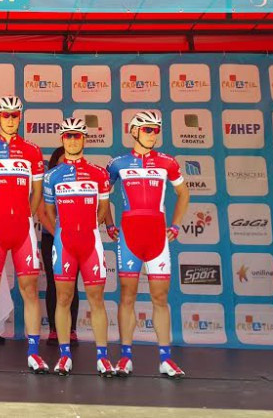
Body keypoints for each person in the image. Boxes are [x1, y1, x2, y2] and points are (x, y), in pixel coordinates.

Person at [105, 110, 190, 378]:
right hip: (130, 237)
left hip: (156, 238)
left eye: (156, 130)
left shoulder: (167, 162)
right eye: (147, 130)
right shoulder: (117, 163)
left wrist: (175, 225)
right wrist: (109, 224)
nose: (152, 135)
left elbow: (183, 193)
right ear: (134, 131)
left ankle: (165, 359)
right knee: (127, 296)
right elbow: (103, 195)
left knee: (160, 298)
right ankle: (125, 357)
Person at [0, 95, 47, 373]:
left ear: (20, 117)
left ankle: (34, 353)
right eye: (6, 115)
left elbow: (37, 192)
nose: (11, 119)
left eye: (15, 115)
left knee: (29, 290)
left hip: (23, 228)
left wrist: (26, 214)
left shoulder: (32, 151)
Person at [41, 118, 114, 376]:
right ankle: (64, 355)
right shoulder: (51, 176)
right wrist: (64, 230)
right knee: (63, 298)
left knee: (97, 300)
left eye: (77, 136)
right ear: (62, 139)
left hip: (90, 243)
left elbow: (103, 209)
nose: (72, 140)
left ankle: (103, 357)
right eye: (68, 136)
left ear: (84, 139)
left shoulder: (99, 173)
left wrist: (91, 226)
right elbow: (48, 211)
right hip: (65, 244)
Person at [38, 146, 79, 346]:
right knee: (53, 283)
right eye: (62, 161)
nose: (66, 164)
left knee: (72, 285)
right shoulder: (47, 180)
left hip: (74, 239)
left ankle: (71, 330)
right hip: (51, 238)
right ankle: (54, 329)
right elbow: (42, 213)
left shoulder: (80, 180)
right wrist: (58, 235)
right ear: (54, 163)